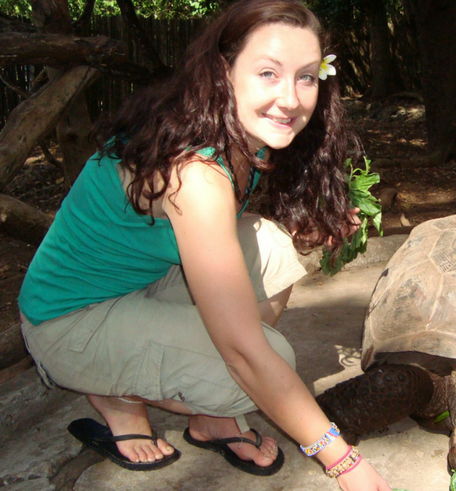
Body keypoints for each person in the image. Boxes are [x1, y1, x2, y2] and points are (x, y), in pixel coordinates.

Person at [17, 1, 391, 489]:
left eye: (306, 76)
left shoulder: (222, 126)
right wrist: (343, 461)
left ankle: (207, 410)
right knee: (262, 360)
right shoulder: (194, 171)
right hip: (67, 323)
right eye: (267, 73)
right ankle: (115, 389)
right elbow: (243, 350)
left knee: (274, 249)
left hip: (139, 283)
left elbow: (218, 228)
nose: (291, 98)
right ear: (224, 70)